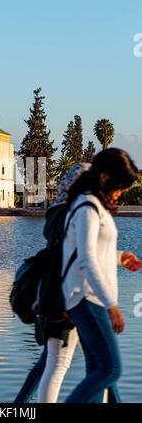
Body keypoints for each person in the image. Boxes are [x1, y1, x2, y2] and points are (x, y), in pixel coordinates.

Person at [15, 156, 141, 403]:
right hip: (71, 298)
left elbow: (84, 252)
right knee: (91, 366)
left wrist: (118, 257)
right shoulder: (78, 211)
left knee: (90, 365)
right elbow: (82, 256)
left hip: (63, 296)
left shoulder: (63, 214)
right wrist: (109, 304)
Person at [62, 148, 141, 403]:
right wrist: (112, 305)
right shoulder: (87, 206)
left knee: (98, 371)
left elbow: (95, 251)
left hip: (91, 299)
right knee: (111, 369)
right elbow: (86, 259)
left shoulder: (96, 206)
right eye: (120, 187)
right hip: (88, 298)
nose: (121, 193)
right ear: (105, 178)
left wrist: (119, 257)